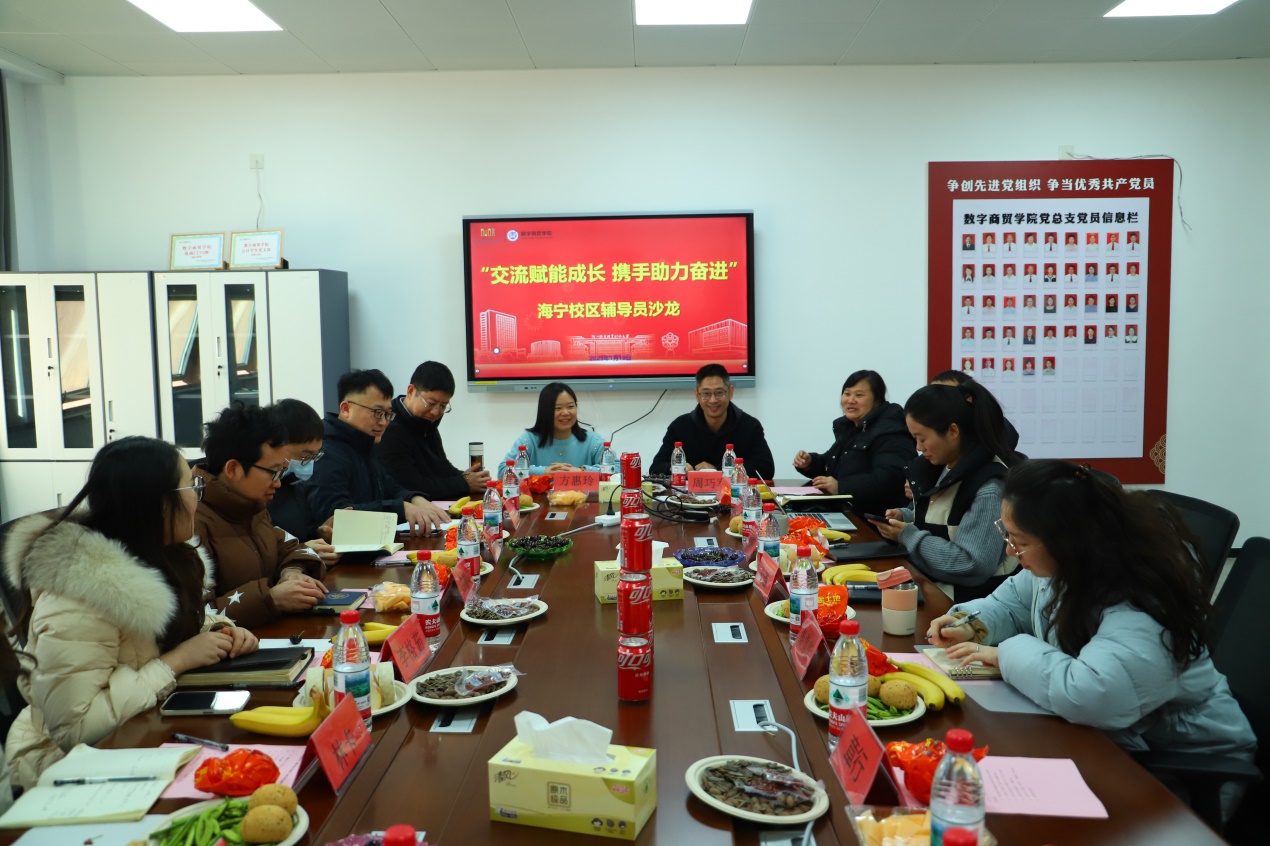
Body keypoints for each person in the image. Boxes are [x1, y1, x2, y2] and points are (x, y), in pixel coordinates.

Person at [926, 460, 1255, 818]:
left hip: (1176, 772)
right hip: (1111, 739)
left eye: (1019, 542)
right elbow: (1012, 603)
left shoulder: (1142, 597)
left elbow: (1093, 693)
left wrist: (1003, 654)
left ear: (1066, 541)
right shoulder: (1066, 561)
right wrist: (971, 623)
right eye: (1008, 536)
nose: (1010, 552)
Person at [2, 436, 257, 787]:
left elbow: (165, 631)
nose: (197, 498)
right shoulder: (78, 597)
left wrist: (219, 631)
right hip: (65, 770)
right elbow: (76, 729)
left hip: (145, 734)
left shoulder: (163, 555)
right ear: (159, 504)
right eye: (191, 486)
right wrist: (176, 662)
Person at [871, 382, 1021, 602]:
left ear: (952, 431)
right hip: (932, 586)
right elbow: (948, 519)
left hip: (964, 604)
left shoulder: (989, 488)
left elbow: (973, 565)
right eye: (914, 439)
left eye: (922, 438)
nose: (918, 447)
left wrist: (908, 535)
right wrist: (906, 516)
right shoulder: (943, 468)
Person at [195, 403, 327, 627]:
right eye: (273, 472)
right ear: (233, 469)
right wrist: (271, 599)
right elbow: (196, 618)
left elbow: (291, 547)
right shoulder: (192, 522)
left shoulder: (252, 506)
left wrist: (292, 571)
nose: (278, 482)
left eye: (281, 471)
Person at [306, 369, 449, 536]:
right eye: (377, 413)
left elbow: (389, 487)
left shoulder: (365, 443)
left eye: (388, 414)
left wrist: (414, 499)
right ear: (346, 409)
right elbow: (335, 516)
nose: (383, 422)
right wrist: (401, 509)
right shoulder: (325, 452)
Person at [792, 370, 915, 515]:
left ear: (877, 399)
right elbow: (834, 465)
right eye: (847, 394)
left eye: (859, 395)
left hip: (876, 518)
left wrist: (841, 487)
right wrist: (810, 463)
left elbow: (889, 480)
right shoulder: (852, 427)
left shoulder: (891, 431)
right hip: (847, 512)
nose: (850, 400)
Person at [380, 361, 490, 500]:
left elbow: (441, 467)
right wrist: (464, 483)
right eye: (430, 403)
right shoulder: (389, 427)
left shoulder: (426, 423)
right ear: (411, 391)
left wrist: (470, 477)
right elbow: (411, 486)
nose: (436, 412)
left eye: (443, 406)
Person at [651, 364, 775, 478]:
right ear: (697, 395)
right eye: (706, 394)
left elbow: (766, 468)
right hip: (690, 495)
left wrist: (717, 471)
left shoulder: (750, 426)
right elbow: (656, 467)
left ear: (731, 392)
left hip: (735, 493)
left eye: (719, 393)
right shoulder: (680, 427)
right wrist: (674, 468)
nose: (713, 400)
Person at [266, 398, 339, 566]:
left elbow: (303, 534)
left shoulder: (295, 483)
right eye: (305, 456)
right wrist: (302, 551)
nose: (310, 463)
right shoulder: (258, 490)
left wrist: (321, 533)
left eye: (315, 456)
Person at [504, 382, 605, 473]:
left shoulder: (593, 440)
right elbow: (504, 469)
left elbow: (613, 469)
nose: (565, 413)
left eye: (570, 406)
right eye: (558, 408)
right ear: (545, 411)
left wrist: (581, 471)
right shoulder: (529, 440)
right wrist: (544, 471)